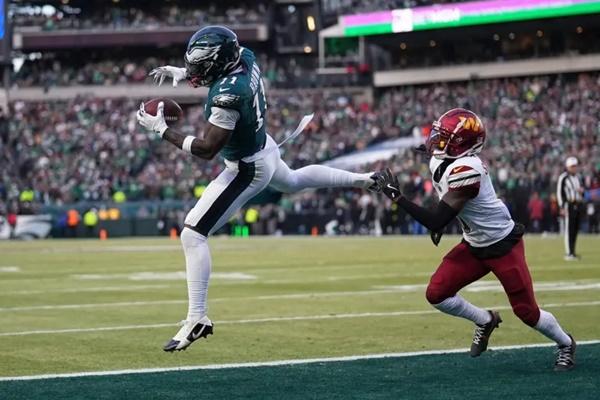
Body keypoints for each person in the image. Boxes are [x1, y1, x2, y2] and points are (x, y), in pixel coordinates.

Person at [137, 26, 378, 352]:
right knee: (292, 181)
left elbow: (207, 149)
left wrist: (162, 129)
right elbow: (220, 70)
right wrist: (185, 72)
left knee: (193, 234)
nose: (196, 69)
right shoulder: (245, 58)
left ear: (219, 61)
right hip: (265, 146)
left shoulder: (229, 96)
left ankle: (197, 317)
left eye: (200, 64)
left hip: (247, 167)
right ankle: (365, 178)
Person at [374, 108, 576, 371]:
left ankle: (565, 343)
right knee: (437, 293)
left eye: (443, 138)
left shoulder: (467, 169)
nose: (436, 141)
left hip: (502, 246)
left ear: (461, 146)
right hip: (474, 243)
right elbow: (443, 196)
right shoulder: (443, 160)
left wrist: (397, 198)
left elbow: (437, 220)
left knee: (527, 313)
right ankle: (484, 320)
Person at [557, 157, 584, 261]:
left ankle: (573, 252)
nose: (574, 168)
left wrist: (582, 192)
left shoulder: (578, 177)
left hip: (578, 204)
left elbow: (582, 190)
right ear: (568, 167)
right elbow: (560, 192)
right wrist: (561, 206)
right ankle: (568, 253)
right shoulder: (563, 177)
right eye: (572, 166)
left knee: (575, 230)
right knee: (569, 230)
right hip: (569, 205)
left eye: (575, 166)